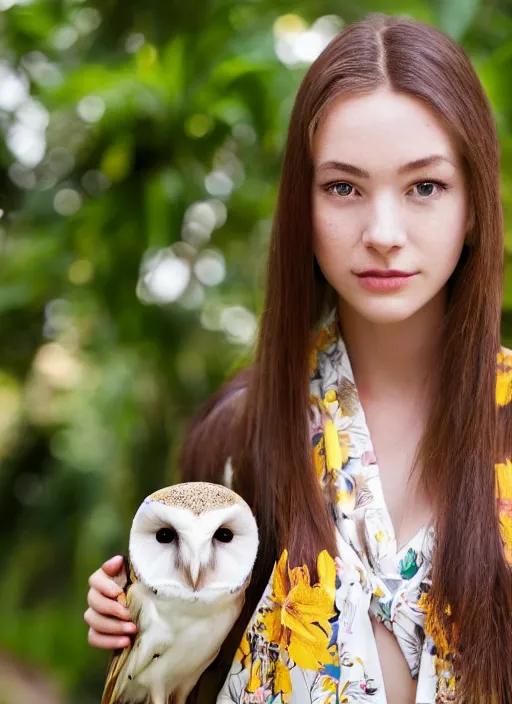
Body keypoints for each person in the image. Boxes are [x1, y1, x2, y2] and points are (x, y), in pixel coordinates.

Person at [84, 12, 512, 703]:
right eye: (343, 187)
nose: (382, 234)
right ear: (301, 207)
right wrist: (145, 621)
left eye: (424, 187)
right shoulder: (242, 430)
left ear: (472, 208)